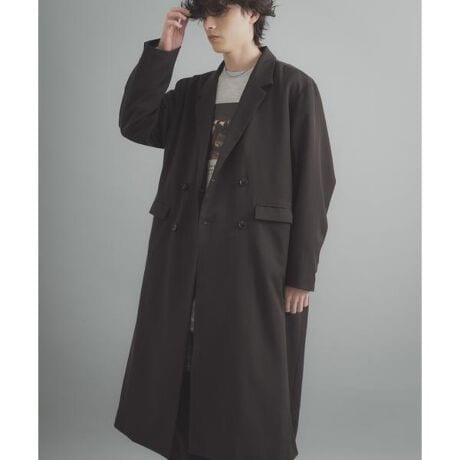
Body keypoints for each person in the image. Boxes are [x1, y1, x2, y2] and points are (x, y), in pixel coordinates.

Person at [114, 2, 336, 459]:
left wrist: (301, 273)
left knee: (247, 382)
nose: (210, 25)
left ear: (253, 13)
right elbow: (136, 122)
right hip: (185, 254)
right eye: (203, 17)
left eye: (220, 12)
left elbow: (315, 184)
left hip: (255, 259)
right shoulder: (192, 92)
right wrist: (164, 53)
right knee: (183, 365)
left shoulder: (293, 88)